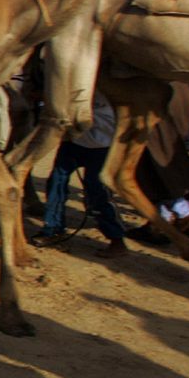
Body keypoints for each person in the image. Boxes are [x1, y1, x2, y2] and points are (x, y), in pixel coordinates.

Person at [31, 92, 127, 258]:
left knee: (97, 191)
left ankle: (116, 239)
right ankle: (53, 229)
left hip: (103, 147)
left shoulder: (113, 90)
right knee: (56, 183)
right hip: (73, 142)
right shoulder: (72, 84)